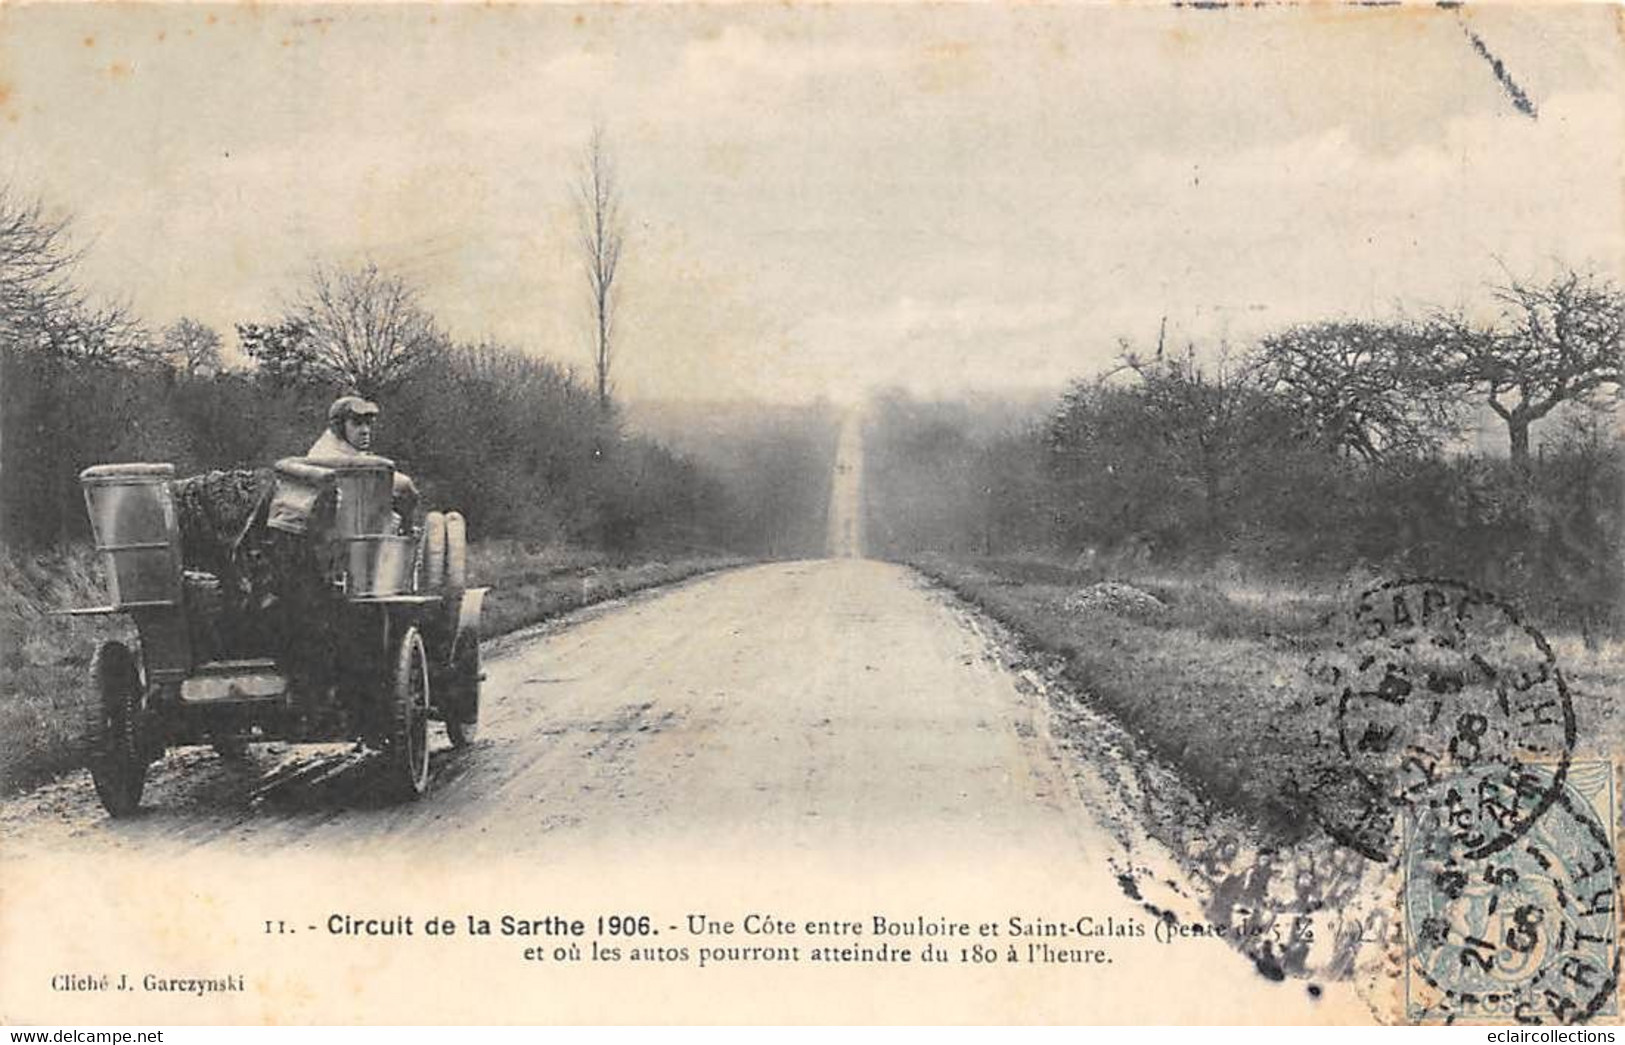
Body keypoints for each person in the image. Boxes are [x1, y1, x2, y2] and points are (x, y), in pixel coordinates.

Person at [309, 395, 420, 526]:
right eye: (356, 423)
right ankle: (406, 531)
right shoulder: (328, 452)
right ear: (339, 426)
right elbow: (403, 485)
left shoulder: (338, 444)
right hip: (343, 526)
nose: (365, 431)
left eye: (368, 424)